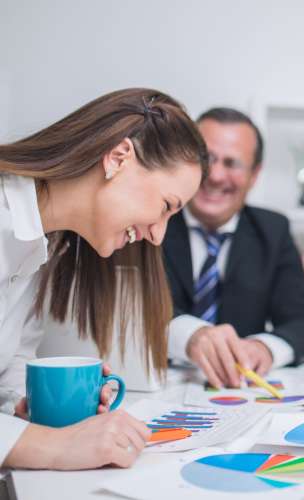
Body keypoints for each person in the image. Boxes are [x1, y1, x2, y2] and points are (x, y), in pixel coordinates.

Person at [0, 88, 208, 470]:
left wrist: (28, 404)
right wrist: (54, 446)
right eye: (166, 207)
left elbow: (10, 362)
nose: (158, 235)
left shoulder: (43, 246)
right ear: (118, 157)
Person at [163, 107, 304, 389]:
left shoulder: (272, 231)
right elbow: (127, 315)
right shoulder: (151, 221)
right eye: (206, 159)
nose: (215, 175)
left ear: (254, 174)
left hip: (238, 393)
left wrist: (263, 348)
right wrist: (190, 336)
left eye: (232, 163)